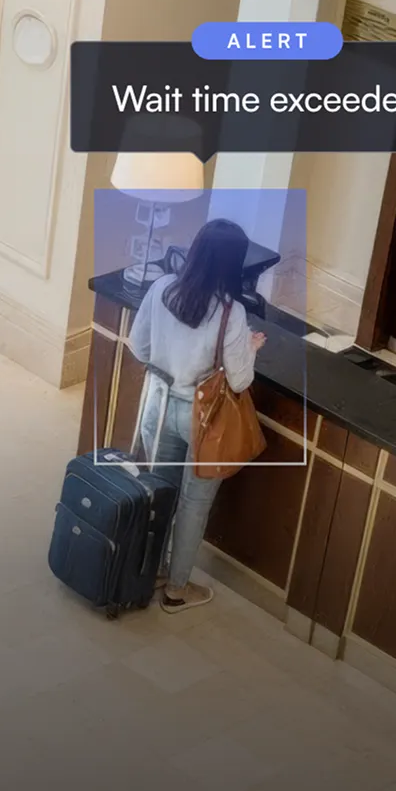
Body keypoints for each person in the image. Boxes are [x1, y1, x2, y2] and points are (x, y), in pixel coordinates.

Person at [128, 219, 266, 614]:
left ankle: (148, 568)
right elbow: (238, 381)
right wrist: (250, 348)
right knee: (193, 503)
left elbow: (139, 348)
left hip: (157, 406)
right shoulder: (231, 312)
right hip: (203, 420)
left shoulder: (160, 288)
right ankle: (175, 591)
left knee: (160, 491)